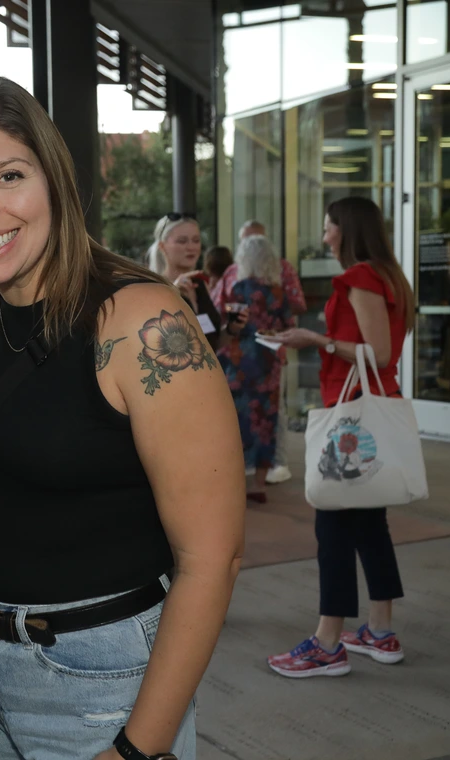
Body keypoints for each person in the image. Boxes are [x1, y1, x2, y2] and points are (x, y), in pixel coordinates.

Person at [0, 77, 244, 760]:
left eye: (8, 176)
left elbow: (212, 558)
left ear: (56, 183)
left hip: (93, 682)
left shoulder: (138, 321)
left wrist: (137, 749)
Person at [266, 196, 413, 678]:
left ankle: (328, 642)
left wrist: (317, 340)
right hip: (371, 406)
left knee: (332, 524)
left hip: (352, 415)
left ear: (346, 229)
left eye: (329, 226)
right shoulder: (389, 276)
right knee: (370, 524)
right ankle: (378, 630)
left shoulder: (360, 278)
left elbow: (380, 351)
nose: (324, 235)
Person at [213, 220, 307, 486]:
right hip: (270, 356)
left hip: (238, 355)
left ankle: (237, 471)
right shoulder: (279, 287)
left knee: (237, 412)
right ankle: (267, 472)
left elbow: (218, 308)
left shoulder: (234, 283)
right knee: (270, 414)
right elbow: (292, 315)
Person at [146, 214, 222, 350]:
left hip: (208, 370)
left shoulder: (200, 283)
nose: (191, 247)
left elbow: (212, 342)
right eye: (182, 241)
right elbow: (153, 341)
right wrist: (173, 291)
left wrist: (232, 329)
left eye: (196, 240)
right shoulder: (154, 287)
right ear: (162, 246)